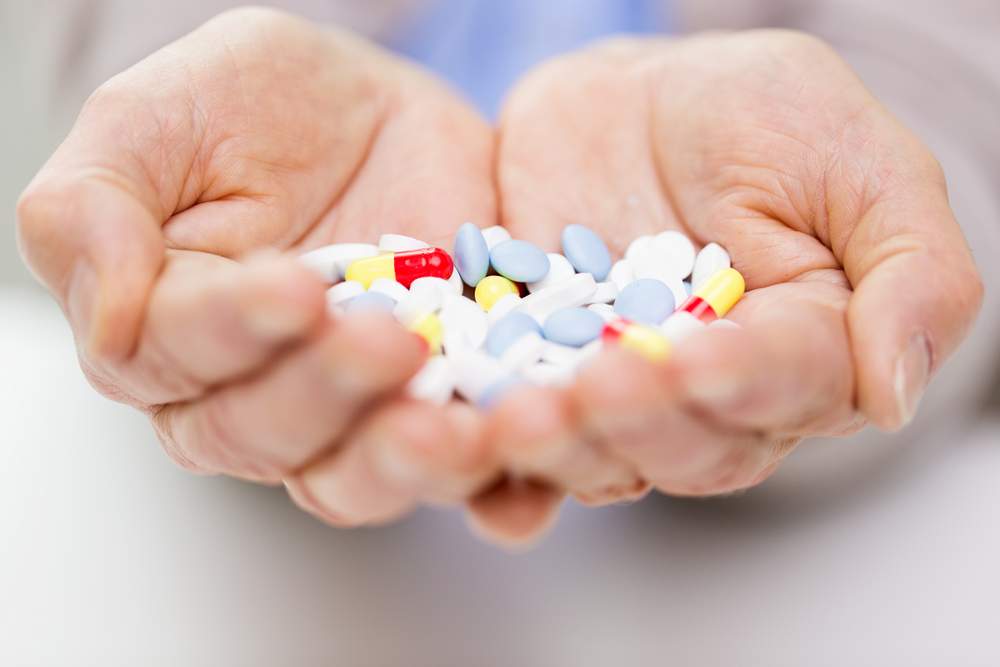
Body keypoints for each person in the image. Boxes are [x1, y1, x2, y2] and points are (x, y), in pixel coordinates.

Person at [15, 1, 998, 546]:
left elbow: (952, 73)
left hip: (801, 551)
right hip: (247, 548)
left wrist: (879, 221)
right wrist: (190, 129)